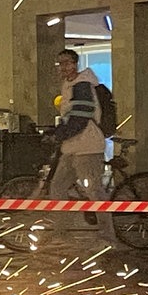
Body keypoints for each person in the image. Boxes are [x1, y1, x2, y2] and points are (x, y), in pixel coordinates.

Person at [51, 49, 115, 243]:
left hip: (87, 146)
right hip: (72, 147)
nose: (63, 67)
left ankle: (108, 237)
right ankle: (61, 233)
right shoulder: (69, 84)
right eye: (60, 63)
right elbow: (70, 115)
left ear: (75, 64)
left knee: (94, 191)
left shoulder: (82, 85)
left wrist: (60, 134)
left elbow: (81, 116)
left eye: (67, 63)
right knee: (57, 187)